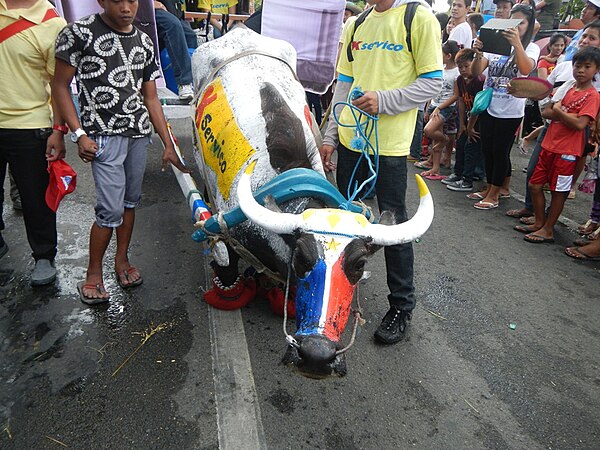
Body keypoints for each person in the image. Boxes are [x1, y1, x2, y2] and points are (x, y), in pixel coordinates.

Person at [320, 0, 443, 345]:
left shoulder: (416, 17)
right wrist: (330, 135)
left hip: (388, 145)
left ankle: (401, 305)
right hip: (350, 141)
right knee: (348, 219)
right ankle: (339, 296)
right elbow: (343, 85)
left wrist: (384, 100)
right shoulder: (356, 24)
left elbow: (432, 82)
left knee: (394, 225)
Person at [52, 0, 190, 303]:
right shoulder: (78, 33)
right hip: (103, 136)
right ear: (101, 1)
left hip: (138, 135)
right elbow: (60, 86)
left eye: (132, 0)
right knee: (110, 210)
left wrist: (167, 143)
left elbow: (151, 98)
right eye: (117, 0)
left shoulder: (143, 39)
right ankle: (93, 275)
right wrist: (77, 134)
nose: (126, 7)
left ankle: (122, 260)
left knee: (129, 203)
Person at [0, 0, 67, 285]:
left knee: (35, 197)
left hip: (30, 124)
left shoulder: (52, 23)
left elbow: (59, 83)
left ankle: (43, 255)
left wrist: (58, 130)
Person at [507, 21, 600, 220]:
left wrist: (560, 111)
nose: (585, 41)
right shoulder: (565, 66)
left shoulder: (593, 90)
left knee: (561, 185)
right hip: (550, 131)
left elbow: (582, 122)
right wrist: (521, 90)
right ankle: (534, 212)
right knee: (535, 176)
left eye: (592, 38)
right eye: (584, 36)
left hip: (575, 141)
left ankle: (548, 222)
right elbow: (544, 95)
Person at [519, 47, 600, 243]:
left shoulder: (593, 95)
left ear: (596, 70)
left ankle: (548, 229)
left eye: (587, 66)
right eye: (577, 66)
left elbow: (581, 123)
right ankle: (540, 222)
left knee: (559, 191)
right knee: (535, 184)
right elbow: (547, 112)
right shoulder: (569, 88)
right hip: (549, 145)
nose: (581, 70)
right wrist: (566, 114)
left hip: (568, 152)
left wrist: (559, 111)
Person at [469, 3, 539, 210]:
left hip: (511, 110)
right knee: (487, 149)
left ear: (529, 25)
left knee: (500, 151)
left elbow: (525, 69)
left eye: (522, 23)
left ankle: (494, 194)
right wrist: (478, 53)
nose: (516, 26)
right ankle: (492, 186)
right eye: (513, 21)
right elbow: (475, 72)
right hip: (490, 106)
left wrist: (517, 44)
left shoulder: (531, 47)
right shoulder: (495, 45)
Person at [444, 48, 487, 191]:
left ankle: (467, 180)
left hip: (479, 120)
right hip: (468, 119)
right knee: (461, 144)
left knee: (471, 148)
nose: (463, 70)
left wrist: (471, 127)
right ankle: (458, 173)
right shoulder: (460, 80)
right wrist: (462, 124)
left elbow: (479, 107)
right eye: (460, 67)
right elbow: (461, 101)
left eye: (466, 66)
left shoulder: (480, 81)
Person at [421, 40, 461, 180]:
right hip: (434, 104)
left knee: (429, 130)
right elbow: (433, 90)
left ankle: (444, 141)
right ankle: (435, 167)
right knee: (434, 136)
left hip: (445, 107)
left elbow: (456, 95)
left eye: (441, 53)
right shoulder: (440, 69)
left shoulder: (456, 73)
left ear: (448, 55)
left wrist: (439, 107)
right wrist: (428, 108)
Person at [154, 0, 197, 100]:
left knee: (190, 36)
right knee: (172, 25)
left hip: (171, 9)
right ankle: (184, 83)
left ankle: (195, 84)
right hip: (145, 8)